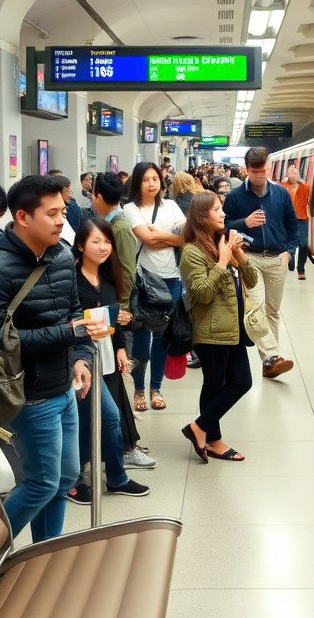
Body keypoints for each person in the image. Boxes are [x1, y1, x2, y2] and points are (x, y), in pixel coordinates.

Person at [0, 176, 94, 542]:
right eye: (52, 213)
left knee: (65, 478)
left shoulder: (59, 256)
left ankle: (46, 552)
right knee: (41, 483)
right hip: (30, 395)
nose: (61, 220)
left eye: (63, 212)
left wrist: (81, 358)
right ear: (23, 217)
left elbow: (74, 312)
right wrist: (67, 335)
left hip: (64, 387)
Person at [70, 218, 150, 502]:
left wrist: (119, 347)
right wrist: (106, 318)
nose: (104, 247)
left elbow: (113, 320)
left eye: (107, 242)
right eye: (96, 241)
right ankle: (79, 479)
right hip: (80, 359)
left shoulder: (108, 277)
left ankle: (111, 477)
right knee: (96, 419)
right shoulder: (72, 280)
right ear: (80, 245)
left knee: (102, 419)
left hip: (105, 356)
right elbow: (72, 323)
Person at [180, 192, 258, 463]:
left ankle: (200, 428)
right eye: (217, 210)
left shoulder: (222, 242)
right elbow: (201, 293)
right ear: (202, 217)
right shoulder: (191, 252)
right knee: (215, 384)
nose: (223, 214)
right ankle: (213, 439)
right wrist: (223, 262)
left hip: (234, 328)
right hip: (211, 331)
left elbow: (253, 281)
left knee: (242, 381)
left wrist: (236, 254)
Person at [90, 172, 155, 469]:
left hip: (117, 312)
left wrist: (121, 311)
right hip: (109, 310)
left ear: (100, 197)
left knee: (118, 374)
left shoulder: (120, 228)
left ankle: (125, 445)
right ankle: (121, 444)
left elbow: (126, 272)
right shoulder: (110, 225)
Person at [223, 147, 297, 379]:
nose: (259, 175)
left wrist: (290, 251)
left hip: (277, 259)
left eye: (263, 170)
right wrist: (244, 222)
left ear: (269, 167)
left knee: (272, 311)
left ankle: (269, 363)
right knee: (256, 308)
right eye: (254, 171)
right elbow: (223, 226)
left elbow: (293, 224)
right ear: (247, 170)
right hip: (250, 257)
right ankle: (272, 355)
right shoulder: (235, 197)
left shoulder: (281, 194)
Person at [122, 162, 185, 412]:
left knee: (162, 339)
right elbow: (146, 240)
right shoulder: (130, 208)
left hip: (171, 279)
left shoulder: (170, 205)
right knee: (140, 338)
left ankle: (156, 388)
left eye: (155, 179)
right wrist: (166, 238)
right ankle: (138, 389)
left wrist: (160, 236)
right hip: (144, 281)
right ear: (137, 182)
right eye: (146, 179)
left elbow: (186, 235)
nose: (152, 184)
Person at [283, 164, 311, 280]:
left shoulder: (305, 187)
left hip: (302, 218)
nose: (293, 175)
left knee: (303, 244)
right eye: (291, 173)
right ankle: (291, 260)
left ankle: (301, 269)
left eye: (295, 173)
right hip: (288, 219)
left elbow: (309, 201)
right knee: (291, 243)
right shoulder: (283, 187)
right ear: (287, 175)